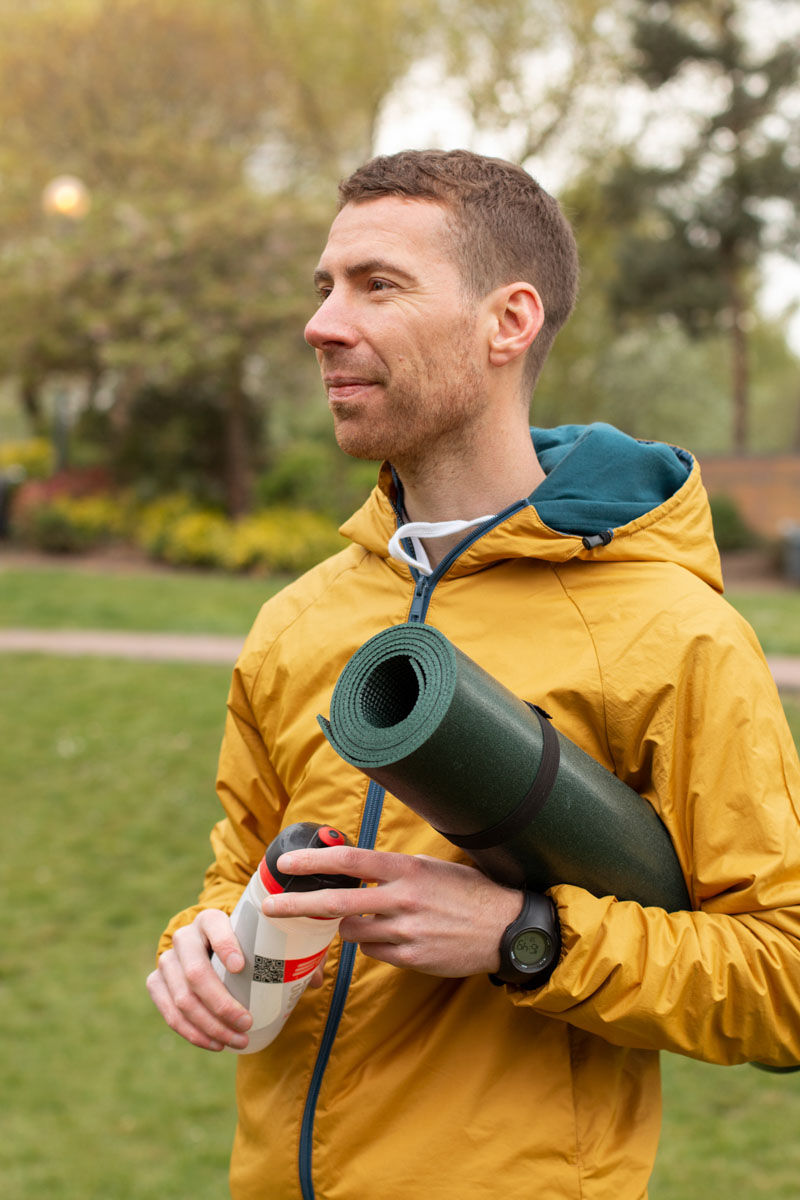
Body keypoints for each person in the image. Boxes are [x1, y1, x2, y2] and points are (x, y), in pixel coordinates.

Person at [147, 149, 800, 1200]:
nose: (321, 323)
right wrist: (202, 939)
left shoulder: (673, 633)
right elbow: (237, 867)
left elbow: (783, 980)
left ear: (508, 322)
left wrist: (521, 937)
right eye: (324, 287)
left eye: (377, 285)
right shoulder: (296, 620)